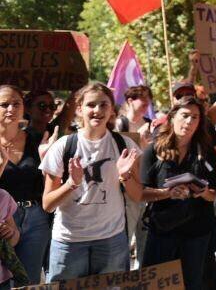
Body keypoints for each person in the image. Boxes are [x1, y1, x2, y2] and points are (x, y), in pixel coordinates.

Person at [40, 83, 143, 281]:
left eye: (104, 105)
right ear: (79, 109)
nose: (97, 110)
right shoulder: (63, 147)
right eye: (91, 105)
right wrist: (72, 183)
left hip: (112, 240)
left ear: (112, 109)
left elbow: (137, 195)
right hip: (69, 243)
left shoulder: (125, 146)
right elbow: (47, 204)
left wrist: (125, 176)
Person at [140, 96, 216, 289]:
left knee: (192, 284)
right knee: (157, 285)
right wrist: (167, 193)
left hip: (196, 232)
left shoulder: (205, 152)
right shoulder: (154, 150)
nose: (189, 122)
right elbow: (140, 193)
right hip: (163, 231)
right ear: (173, 117)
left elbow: (214, 194)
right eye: (185, 115)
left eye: (195, 117)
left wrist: (202, 192)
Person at [0, 86, 47, 284]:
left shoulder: (38, 139)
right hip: (3, 219)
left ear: (23, 108)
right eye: (4, 104)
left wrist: (47, 160)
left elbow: (47, 184)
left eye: (16, 103)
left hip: (35, 219)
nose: (11, 109)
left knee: (29, 281)